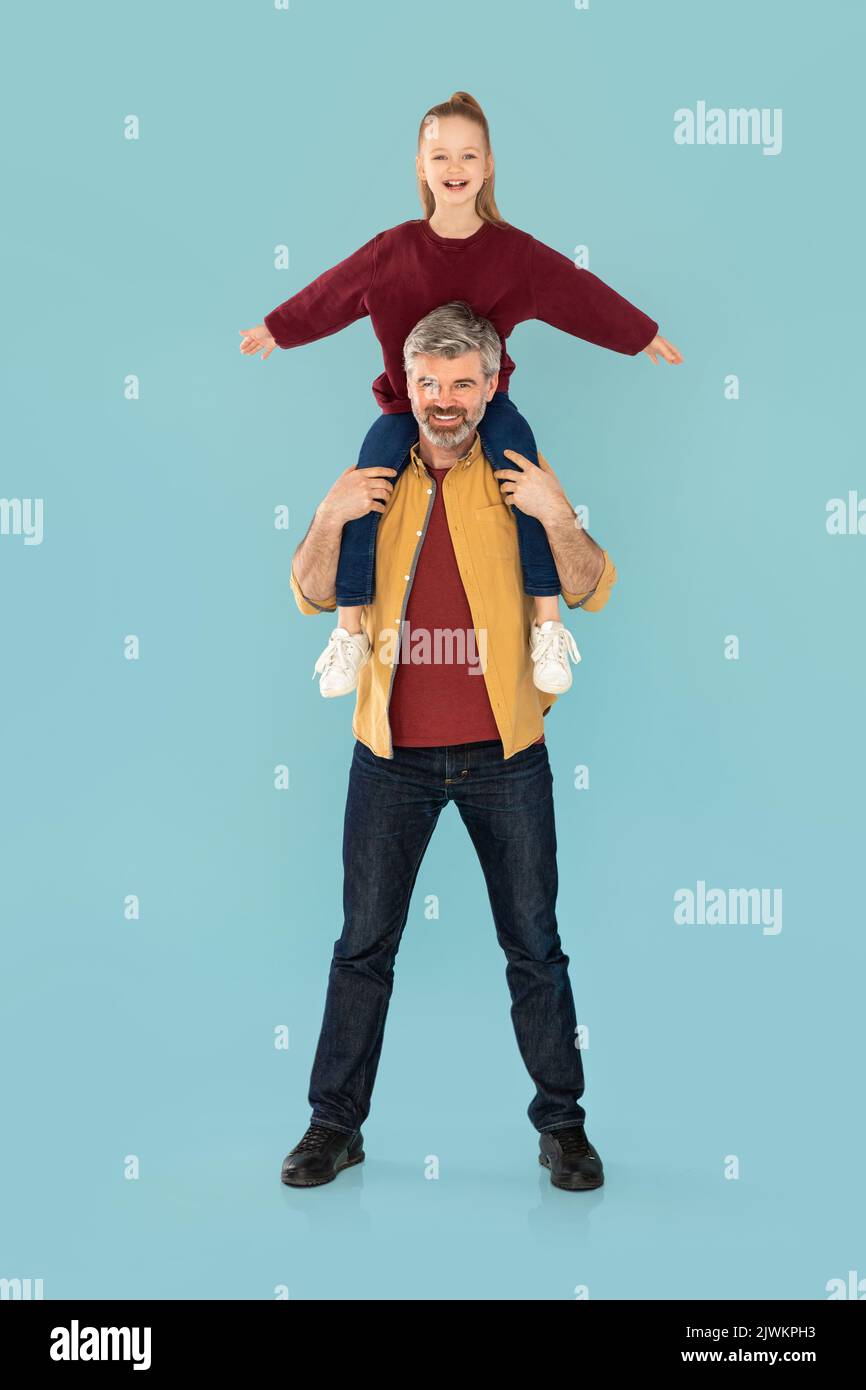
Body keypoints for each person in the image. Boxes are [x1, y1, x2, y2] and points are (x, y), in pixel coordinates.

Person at [279, 301, 618, 1192]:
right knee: (363, 946)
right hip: (389, 756)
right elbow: (312, 591)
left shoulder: (516, 469)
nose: (444, 399)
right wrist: (325, 515)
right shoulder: (373, 471)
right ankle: (333, 1127)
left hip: (507, 754)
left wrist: (558, 513)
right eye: (429, 382)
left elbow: (591, 586)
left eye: (463, 382)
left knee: (535, 946)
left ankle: (565, 1128)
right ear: (409, 384)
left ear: (491, 385)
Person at [240, 90, 681, 699]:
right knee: (366, 486)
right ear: (421, 168)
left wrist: (641, 334)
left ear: (488, 165)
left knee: (524, 474)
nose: (454, 168)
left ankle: (548, 626)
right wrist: (277, 327)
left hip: (486, 409)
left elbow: (578, 294)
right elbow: (331, 292)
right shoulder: (389, 251)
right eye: (440, 156)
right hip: (404, 406)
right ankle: (348, 632)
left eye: (468, 155)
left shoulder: (514, 253)